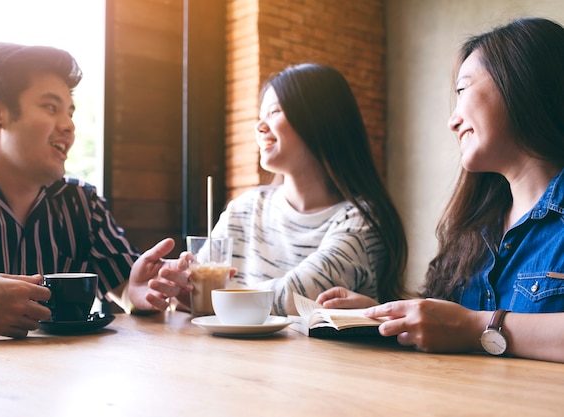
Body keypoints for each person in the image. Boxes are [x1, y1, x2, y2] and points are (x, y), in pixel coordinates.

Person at [317, 17, 564, 363]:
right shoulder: (478, 226)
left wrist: (476, 328)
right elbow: (453, 329)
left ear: (522, 83)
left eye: (463, 91)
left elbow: (465, 328)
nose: (453, 120)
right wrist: (389, 318)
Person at [0, 43, 190, 338]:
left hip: (59, 379)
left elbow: (125, 289)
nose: (69, 126)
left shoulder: (83, 202)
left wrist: (137, 293)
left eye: (70, 112)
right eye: (50, 107)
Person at [162, 63, 408, 316]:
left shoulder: (361, 221)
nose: (259, 126)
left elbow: (299, 297)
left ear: (319, 120)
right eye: (260, 115)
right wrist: (179, 287)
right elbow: (194, 290)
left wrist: (213, 299)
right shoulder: (245, 209)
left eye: (274, 112)